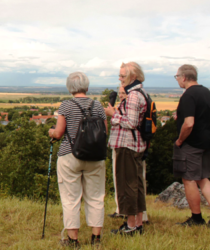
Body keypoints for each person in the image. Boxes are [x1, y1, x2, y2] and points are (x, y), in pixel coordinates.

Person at [49, 72, 107, 247]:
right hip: (96, 156)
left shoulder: (66, 105)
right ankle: (96, 238)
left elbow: (58, 133)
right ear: (87, 87)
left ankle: (73, 240)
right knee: (96, 197)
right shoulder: (98, 106)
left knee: (70, 197)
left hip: (70, 155)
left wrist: (50, 132)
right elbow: (104, 132)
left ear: (70, 88)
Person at [173, 64, 210, 228]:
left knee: (189, 179)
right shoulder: (206, 92)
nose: (177, 80)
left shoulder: (188, 95)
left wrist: (180, 141)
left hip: (192, 143)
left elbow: (189, 123)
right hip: (207, 142)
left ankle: (196, 219)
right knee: (203, 177)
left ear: (183, 77)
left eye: (177, 77)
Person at [104, 62, 148, 235]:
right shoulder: (140, 93)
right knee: (136, 184)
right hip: (135, 145)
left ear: (133, 77)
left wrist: (112, 114)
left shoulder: (133, 96)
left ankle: (130, 225)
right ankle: (137, 223)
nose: (120, 78)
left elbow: (131, 122)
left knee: (127, 185)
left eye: (123, 76)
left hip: (127, 145)